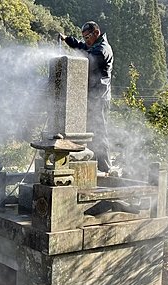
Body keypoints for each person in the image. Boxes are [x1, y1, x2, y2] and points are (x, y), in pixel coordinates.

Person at [59, 21, 114, 174]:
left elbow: (87, 59)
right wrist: (68, 39)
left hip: (100, 97)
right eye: (83, 37)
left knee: (99, 132)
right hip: (91, 97)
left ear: (96, 33)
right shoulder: (94, 45)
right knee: (88, 131)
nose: (85, 40)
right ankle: (94, 164)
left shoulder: (102, 50)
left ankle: (105, 168)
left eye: (87, 37)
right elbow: (83, 47)